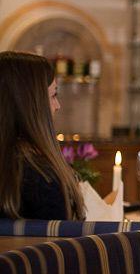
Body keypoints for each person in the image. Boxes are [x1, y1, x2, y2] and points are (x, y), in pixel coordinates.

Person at [0, 51, 84, 220]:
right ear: (30, 103)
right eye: (53, 95)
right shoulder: (41, 176)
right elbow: (61, 244)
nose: (58, 106)